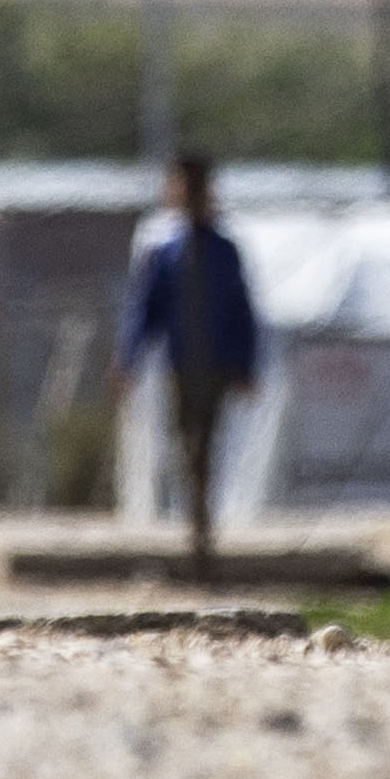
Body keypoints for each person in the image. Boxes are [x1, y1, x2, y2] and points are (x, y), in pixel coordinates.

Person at [121, 153, 264, 568]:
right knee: (187, 444)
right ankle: (195, 526)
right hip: (181, 365)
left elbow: (241, 311)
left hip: (216, 365)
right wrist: (127, 361)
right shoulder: (164, 253)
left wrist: (245, 366)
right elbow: (145, 311)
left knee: (205, 443)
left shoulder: (224, 251)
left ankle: (202, 529)